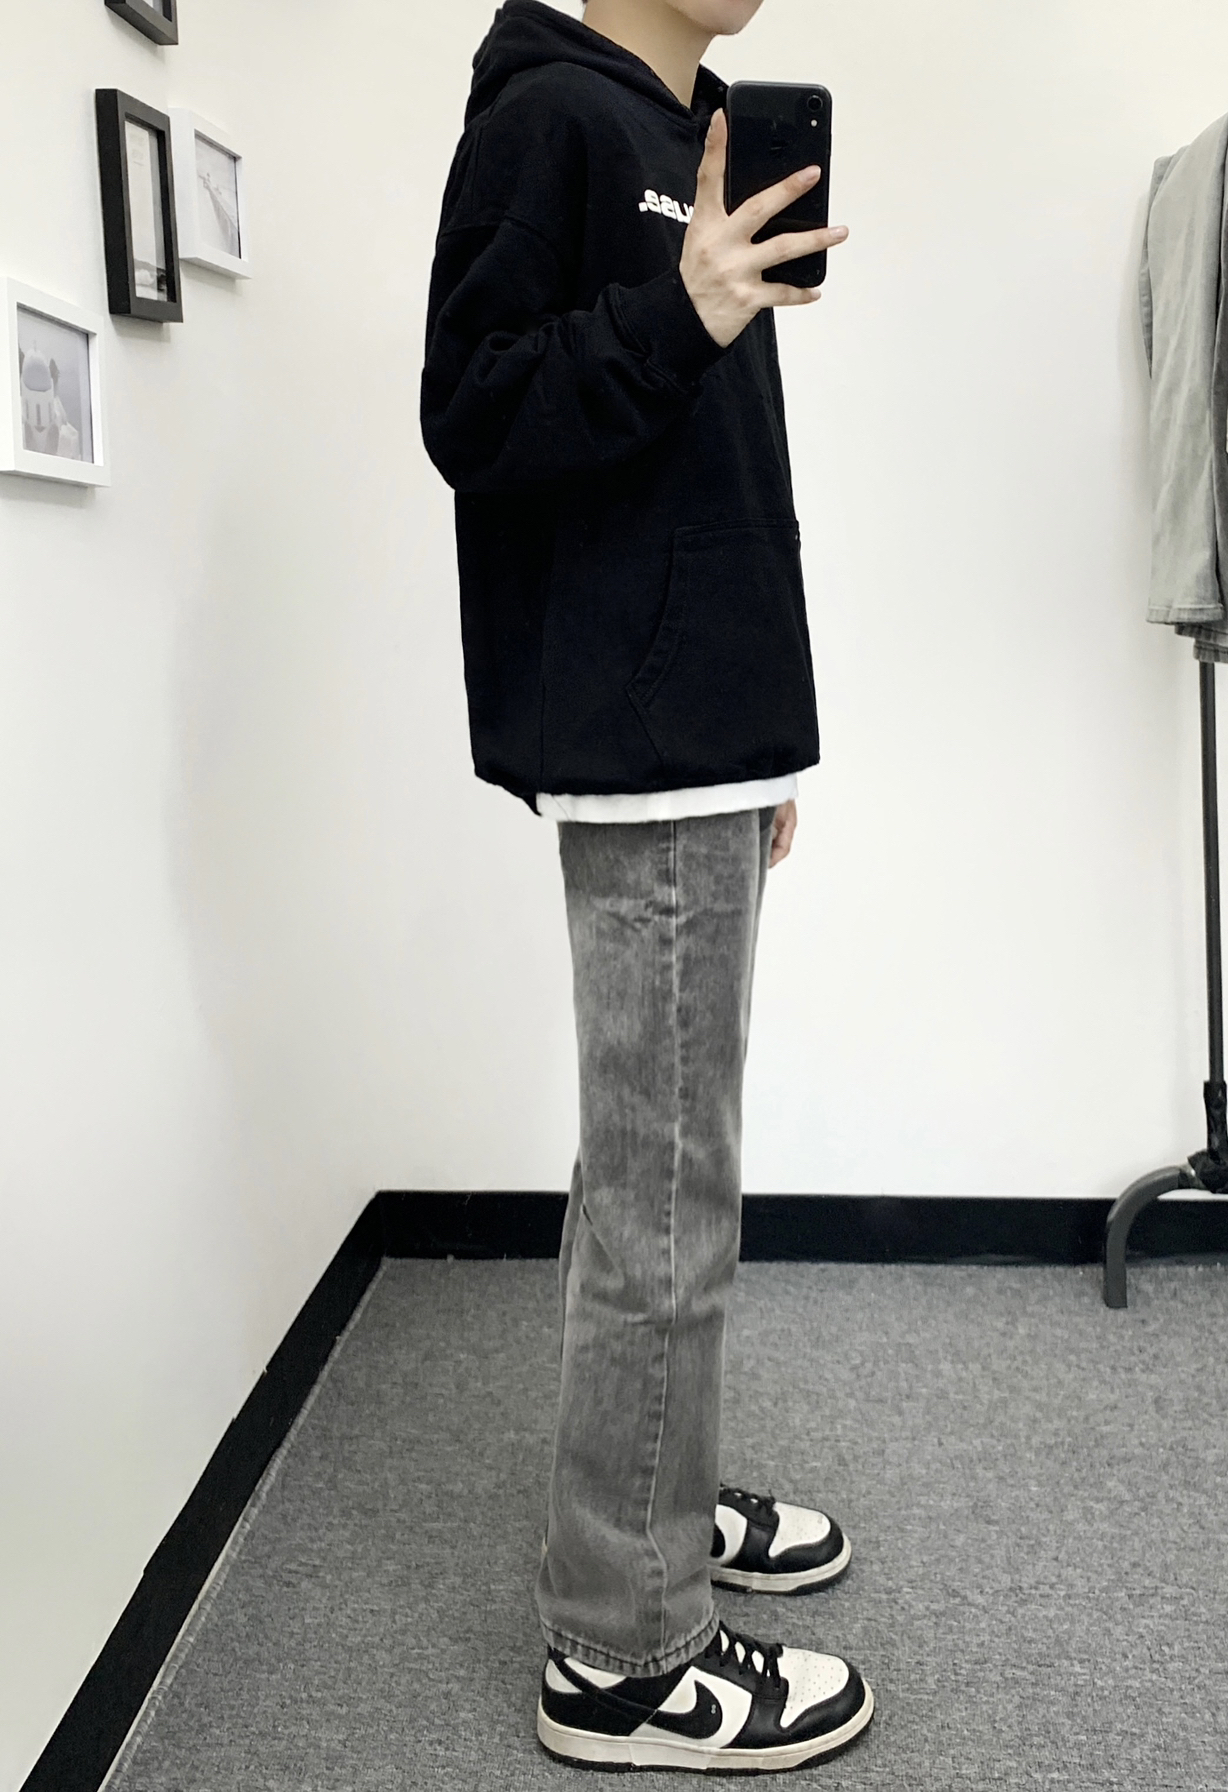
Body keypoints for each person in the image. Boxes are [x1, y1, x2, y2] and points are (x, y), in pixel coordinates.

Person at [421, 0, 874, 1772]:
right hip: (642, 735)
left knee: (657, 1179)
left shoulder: (691, 131)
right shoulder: (548, 122)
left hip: (706, 734)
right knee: (664, 1203)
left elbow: (716, 470)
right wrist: (677, 307)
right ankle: (621, 1651)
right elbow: (475, 411)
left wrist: (768, 737)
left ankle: (651, 1505)